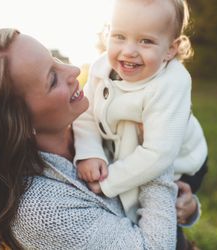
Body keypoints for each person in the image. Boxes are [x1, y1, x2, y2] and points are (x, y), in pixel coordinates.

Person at [0, 28, 200, 249]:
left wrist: (183, 207)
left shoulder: (94, 119)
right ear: (17, 123)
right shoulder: (40, 212)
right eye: (52, 79)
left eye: (54, 59)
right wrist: (158, 149)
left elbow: (149, 197)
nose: (73, 70)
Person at [73, 0, 208, 225]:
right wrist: (90, 151)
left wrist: (109, 182)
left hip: (181, 161)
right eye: (119, 36)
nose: (129, 51)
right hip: (124, 148)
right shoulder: (101, 69)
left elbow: (159, 153)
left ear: (170, 50)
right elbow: (86, 113)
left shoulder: (172, 82)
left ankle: (185, 219)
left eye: (146, 41)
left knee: (168, 208)